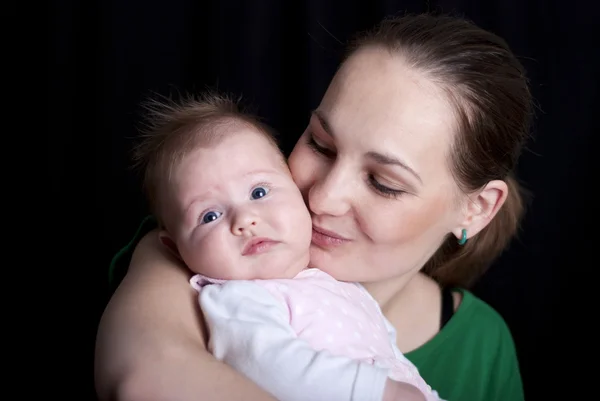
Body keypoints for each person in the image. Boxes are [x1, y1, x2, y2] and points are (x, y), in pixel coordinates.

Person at [95, 12, 530, 401]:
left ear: (475, 209)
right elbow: (142, 381)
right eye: (320, 144)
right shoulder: (193, 255)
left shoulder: (483, 344)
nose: (322, 197)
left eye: (383, 183)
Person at [132, 93, 442, 401]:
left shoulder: (334, 283)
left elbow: (386, 352)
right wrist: (377, 392)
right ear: (175, 248)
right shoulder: (240, 300)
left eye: (259, 192)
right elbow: (270, 365)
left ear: (296, 189)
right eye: (209, 215)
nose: (245, 219)